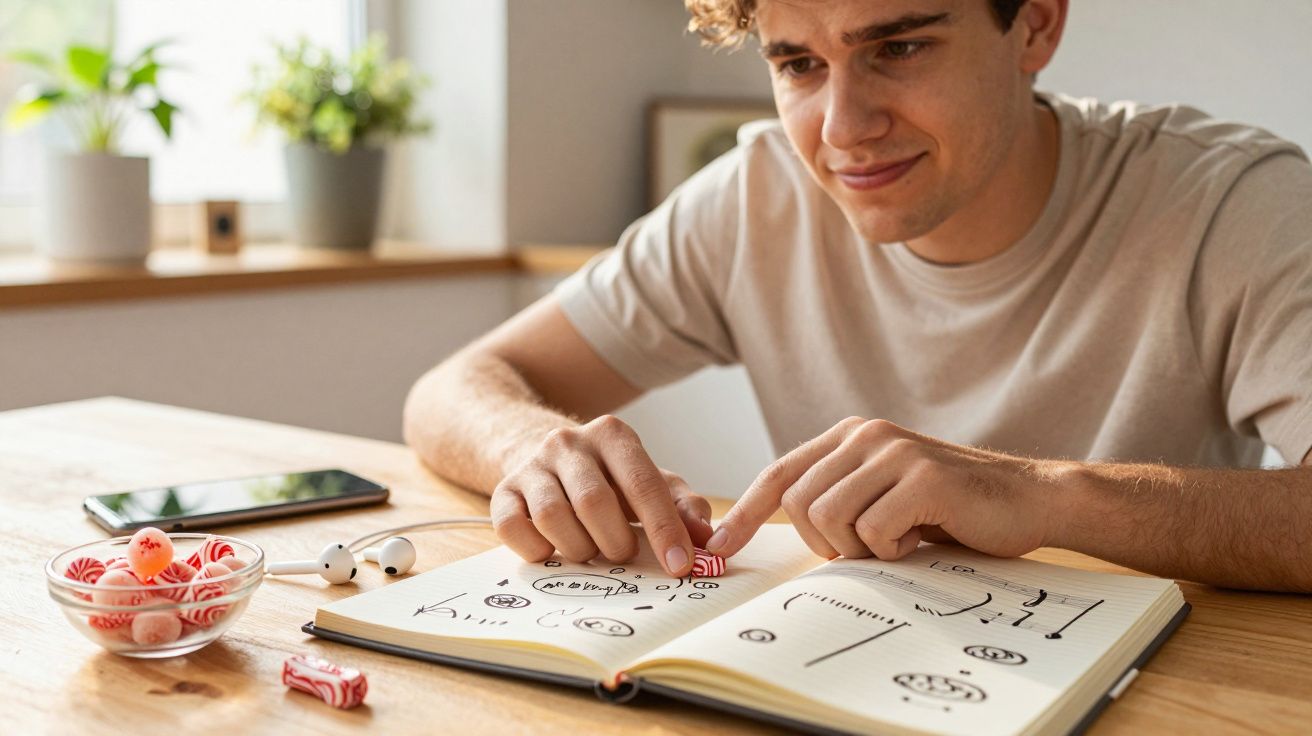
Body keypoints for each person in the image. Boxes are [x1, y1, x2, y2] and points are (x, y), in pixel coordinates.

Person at [403, 0, 1312, 592]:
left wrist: (1046, 495)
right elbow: (454, 389)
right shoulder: (752, 196)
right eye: (798, 65)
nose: (843, 129)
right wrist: (532, 445)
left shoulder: (1234, 201)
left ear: (1035, 24)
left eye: (901, 46)